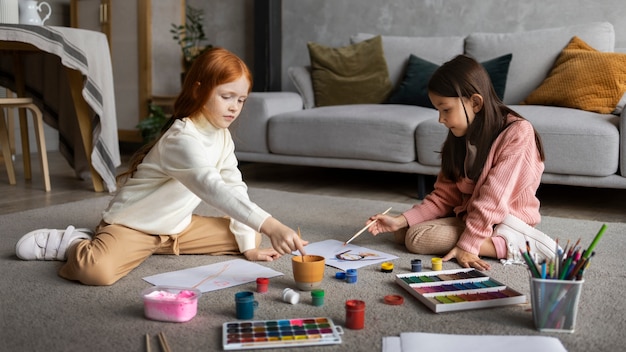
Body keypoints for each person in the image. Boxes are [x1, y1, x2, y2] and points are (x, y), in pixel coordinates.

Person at [15, 47, 307, 285]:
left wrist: (251, 247)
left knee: (249, 234)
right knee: (96, 272)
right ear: (199, 91)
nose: (234, 107)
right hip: (135, 226)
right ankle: (76, 242)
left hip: (176, 229)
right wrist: (273, 224)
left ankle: (144, 246)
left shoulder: (222, 137)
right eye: (226, 96)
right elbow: (212, 187)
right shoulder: (182, 138)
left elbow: (234, 189)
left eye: (241, 100)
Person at [366, 54, 557, 271]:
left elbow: (493, 198)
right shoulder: (460, 136)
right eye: (438, 111)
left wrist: (469, 244)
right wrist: (400, 219)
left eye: (445, 109)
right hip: (469, 215)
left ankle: (513, 246)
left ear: (475, 102)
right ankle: (471, 235)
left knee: (416, 239)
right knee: (401, 233)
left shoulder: (518, 132)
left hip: (503, 221)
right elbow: (444, 196)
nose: (440, 119)